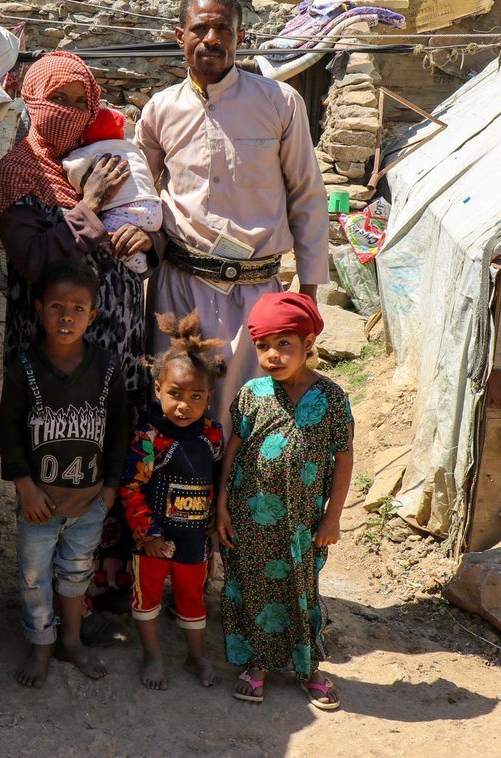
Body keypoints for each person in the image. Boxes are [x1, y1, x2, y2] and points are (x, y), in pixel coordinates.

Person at [138, 0, 329, 416]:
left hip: (258, 295)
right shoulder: (159, 110)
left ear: (240, 38)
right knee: (179, 413)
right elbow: (139, 196)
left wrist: (309, 291)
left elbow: (307, 195)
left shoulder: (279, 102)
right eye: (200, 28)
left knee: (254, 417)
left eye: (223, 29)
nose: (211, 39)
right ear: (179, 36)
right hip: (179, 290)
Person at [0, 51, 158, 403]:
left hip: (121, 346)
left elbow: (141, 209)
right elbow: (34, 261)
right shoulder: (18, 172)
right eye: (58, 98)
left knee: (116, 449)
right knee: (53, 445)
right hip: (51, 356)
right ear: (33, 100)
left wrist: (149, 239)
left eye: (81, 101)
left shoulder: (100, 156)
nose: (70, 111)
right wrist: (90, 203)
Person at [214, 292, 353, 711]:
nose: (272, 355)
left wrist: (332, 518)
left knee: (302, 590)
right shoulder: (252, 394)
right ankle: (256, 666)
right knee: (251, 589)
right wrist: (221, 505)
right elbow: (233, 450)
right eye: (263, 346)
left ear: (309, 343)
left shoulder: (331, 398)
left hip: (302, 521)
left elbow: (343, 457)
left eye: (284, 344)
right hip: (248, 517)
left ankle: (308, 668)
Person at [0, 257, 130, 688]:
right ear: (39, 309)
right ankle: (41, 644)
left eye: (77, 307)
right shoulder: (25, 370)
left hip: (89, 502)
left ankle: (70, 640)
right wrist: (26, 489)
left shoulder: (108, 369)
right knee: (34, 576)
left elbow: (120, 433)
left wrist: (110, 490)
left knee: (76, 573)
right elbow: (8, 433)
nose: (66, 315)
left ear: (93, 314)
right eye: (56, 306)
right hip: (39, 503)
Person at [119, 311, 226, 691]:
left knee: (193, 598)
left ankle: (195, 655)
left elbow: (216, 481)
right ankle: (152, 654)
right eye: (175, 394)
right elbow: (130, 487)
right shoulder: (148, 437)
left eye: (196, 396)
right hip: (153, 540)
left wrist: (214, 519)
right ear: (158, 390)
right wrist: (148, 534)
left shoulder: (212, 435)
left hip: (195, 538)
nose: (184, 405)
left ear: (209, 397)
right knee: (147, 597)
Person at [61, 106, 163, 275]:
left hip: (123, 212)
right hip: (154, 209)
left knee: (108, 239)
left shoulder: (91, 149)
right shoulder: (132, 149)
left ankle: (139, 265)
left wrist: (81, 186)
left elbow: (74, 167)